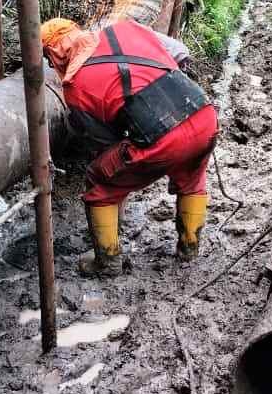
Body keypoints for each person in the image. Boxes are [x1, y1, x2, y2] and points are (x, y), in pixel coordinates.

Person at [40, 18, 218, 277]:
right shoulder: (125, 28)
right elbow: (179, 52)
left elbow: (106, 143)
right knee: (191, 177)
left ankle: (107, 262)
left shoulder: (76, 88)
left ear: (55, 53)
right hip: (204, 116)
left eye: (48, 59)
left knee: (100, 180)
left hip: (164, 140)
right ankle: (189, 248)